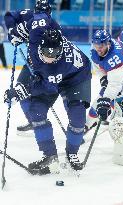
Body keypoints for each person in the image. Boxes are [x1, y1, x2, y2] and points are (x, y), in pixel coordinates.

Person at [4, 29, 92, 175]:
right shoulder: (35, 40)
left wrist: (21, 91)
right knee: (36, 112)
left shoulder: (62, 62)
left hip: (76, 77)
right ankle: (50, 156)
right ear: (40, 46)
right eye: (46, 53)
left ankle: (72, 153)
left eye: (54, 54)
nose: (50, 57)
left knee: (78, 116)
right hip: (48, 75)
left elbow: (47, 86)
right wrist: (15, 31)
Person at [4, 0, 61, 133]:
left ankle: (39, 119)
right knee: (20, 89)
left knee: (36, 91)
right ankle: (34, 121)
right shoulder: (48, 22)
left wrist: (14, 33)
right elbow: (9, 16)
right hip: (32, 62)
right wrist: (14, 32)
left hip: (47, 66)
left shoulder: (52, 25)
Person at [84, 29, 123, 134]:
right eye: (96, 45)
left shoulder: (115, 56)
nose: (98, 48)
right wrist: (103, 78)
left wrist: (105, 101)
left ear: (108, 43)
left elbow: (115, 84)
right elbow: (98, 65)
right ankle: (88, 124)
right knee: (105, 97)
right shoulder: (94, 48)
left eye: (101, 45)